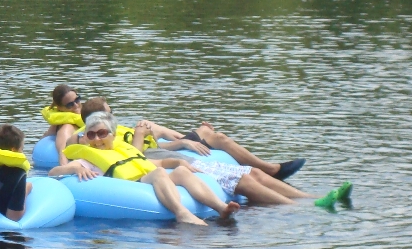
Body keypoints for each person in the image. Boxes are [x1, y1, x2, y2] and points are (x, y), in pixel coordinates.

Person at [49, 111, 241, 226]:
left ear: (113, 134)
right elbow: (54, 172)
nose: (97, 139)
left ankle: (221, 208)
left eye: (102, 133)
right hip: (132, 186)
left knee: (181, 172)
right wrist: (74, 170)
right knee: (158, 174)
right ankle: (181, 212)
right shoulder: (88, 159)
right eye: (91, 135)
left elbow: (153, 164)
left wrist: (179, 162)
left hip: (144, 178)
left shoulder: (124, 149)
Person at [78, 97, 306, 181]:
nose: (113, 116)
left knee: (211, 133)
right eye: (109, 113)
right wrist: (184, 143)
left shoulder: (119, 129)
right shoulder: (100, 139)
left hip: (164, 148)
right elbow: (140, 156)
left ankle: (269, 168)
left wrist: (185, 138)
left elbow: (159, 143)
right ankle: (271, 170)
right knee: (217, 138)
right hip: (157, 156)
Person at [134, 121, 352, 206]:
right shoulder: (121, 142)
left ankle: (313, 198)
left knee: (253, 173)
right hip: (179, 165)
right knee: (244, 180)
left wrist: (191, 138)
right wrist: (139, 135)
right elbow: (135, 157)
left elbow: (170, 136)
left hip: (187, 158)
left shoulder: (134, 129)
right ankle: (308, 209)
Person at [40, 85, 86, 161]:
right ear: (60, 108)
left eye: (77, 100)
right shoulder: (66, 128)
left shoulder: (87, 112)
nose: (76, 105)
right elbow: (63, 153)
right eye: (70, 105)